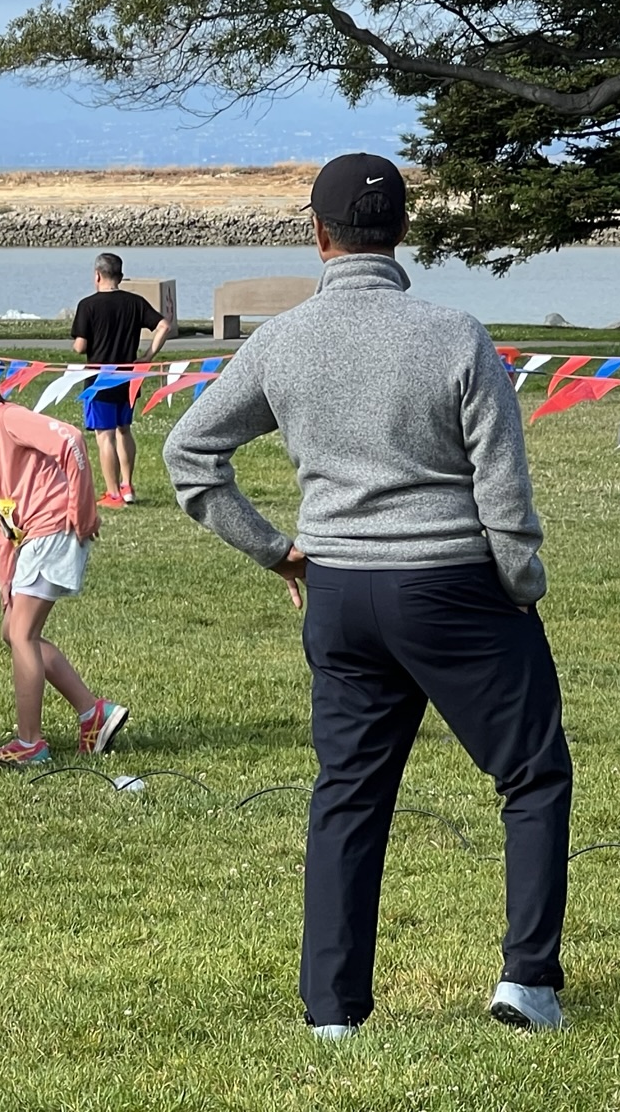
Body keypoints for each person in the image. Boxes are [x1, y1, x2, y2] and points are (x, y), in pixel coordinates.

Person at [163, 152, 573, 1039]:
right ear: (404, 233)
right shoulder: (455, 333)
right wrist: (520, 583)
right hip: (453, 584)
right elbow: (503, 490)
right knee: (533, 774)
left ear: (318, 236)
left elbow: (188, 456)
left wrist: (280, 554)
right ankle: (527, 984)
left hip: (340, 591)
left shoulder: (281, 340)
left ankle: (331, 1010)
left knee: (347, 794)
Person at [0, 346, 127, 767]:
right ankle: (94, 713)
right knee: (13, 631)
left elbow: (71, 440)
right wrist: (5, 586)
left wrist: (83, 510)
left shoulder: (7, 418)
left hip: (53, 528)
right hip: (28, 540)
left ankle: (30, 743)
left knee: (22, 636)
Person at [71, 254, 172, 508]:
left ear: (97, 275)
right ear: (120, 276)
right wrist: (148, 356)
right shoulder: (135, 303)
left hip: (99, 380)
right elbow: (163, 326)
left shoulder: (87, 305)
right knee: (124, 430)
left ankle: (113, 493)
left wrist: (79, 342)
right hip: (129, 377)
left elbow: (80, 347)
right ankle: (128, 486)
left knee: (105, 436)